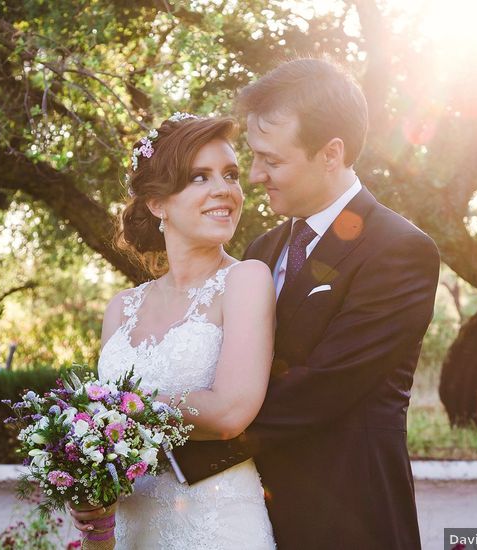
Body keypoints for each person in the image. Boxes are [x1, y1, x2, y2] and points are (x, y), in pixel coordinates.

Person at [169, 58, 441, 549]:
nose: (254, 176)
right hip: (248, 516)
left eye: (271, 160)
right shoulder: (263, 250)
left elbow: (322, 388)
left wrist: (169, 458)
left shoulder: (399, 250)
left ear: (330, 153)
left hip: (346, 520)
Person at [87, 113, 278, 549]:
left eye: (230, 174)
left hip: (217, 527)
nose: (224, 190)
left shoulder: (245, 280)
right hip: (134, 529)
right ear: (157, 203)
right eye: (199, 177)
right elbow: (107, 445)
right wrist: (88, 488)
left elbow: (230, 413)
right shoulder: (122, 308)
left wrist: (118, 411)